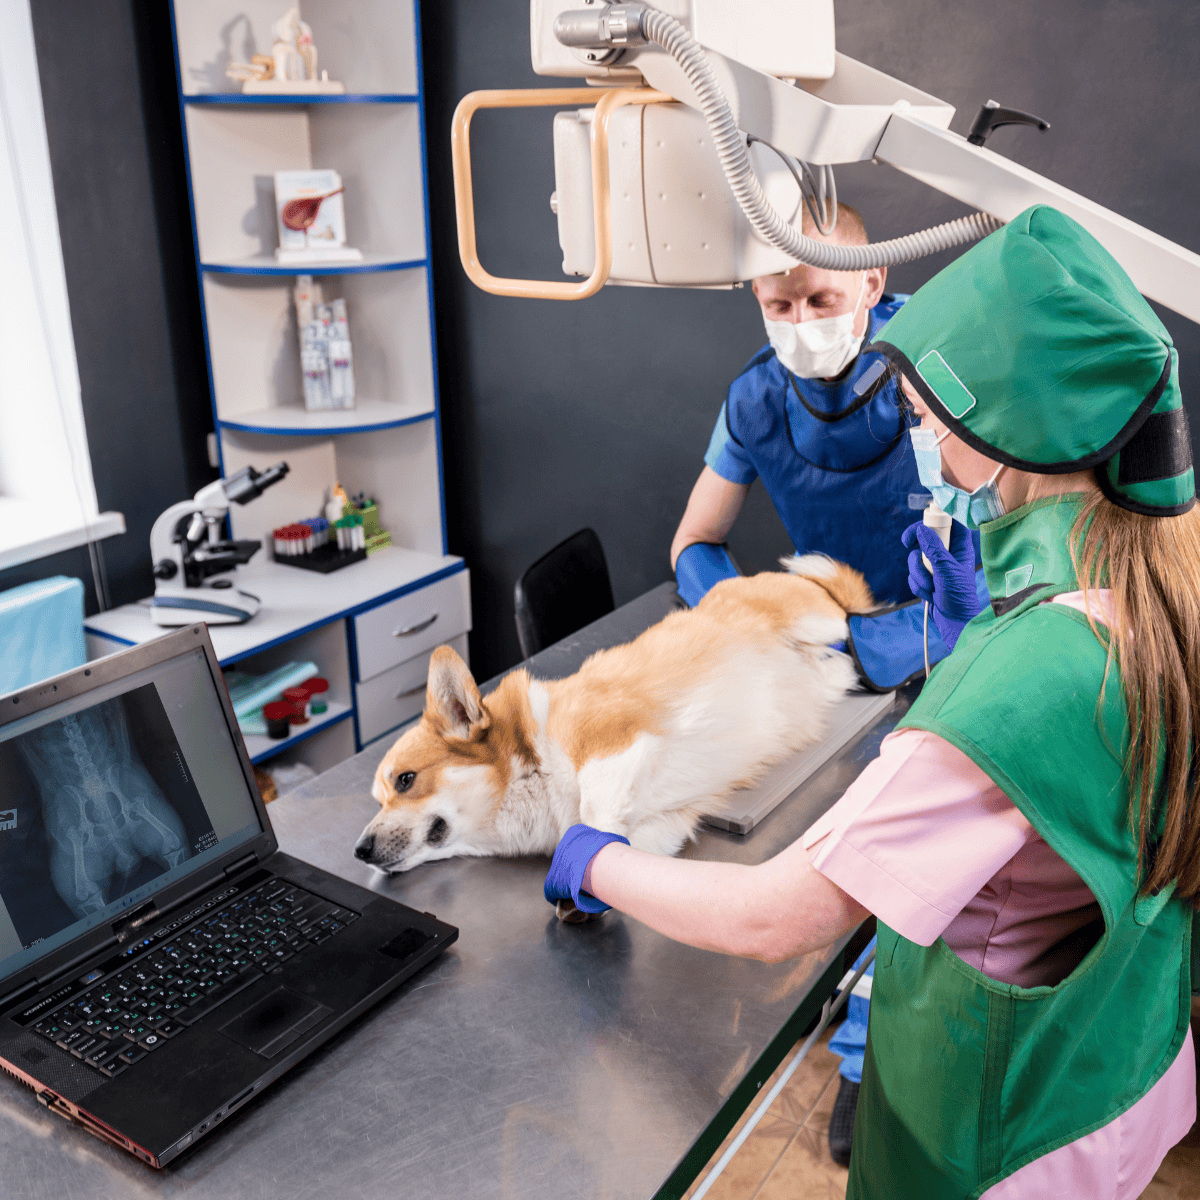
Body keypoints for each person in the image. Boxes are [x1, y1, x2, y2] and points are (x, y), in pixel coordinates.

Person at [546, 205, 1198, 1197]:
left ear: (1009, 430)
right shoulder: (1160, 593)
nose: (924, 437)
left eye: (933, 420)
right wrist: (976, 626)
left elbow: (781, 916)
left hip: (998, 1137)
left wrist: (600, 860)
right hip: (1112, 1069)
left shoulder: (1028, 679)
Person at [671, 202, 925, 609]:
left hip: (959, 619)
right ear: (758, 293)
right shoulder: (756, 399)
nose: (802, 325)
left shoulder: (940, 349)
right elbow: (694, 540)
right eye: (780, 306)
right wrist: (747, 620)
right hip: (835, 624)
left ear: (871, 285)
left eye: (822, 300)